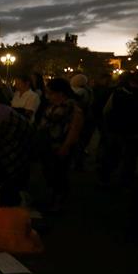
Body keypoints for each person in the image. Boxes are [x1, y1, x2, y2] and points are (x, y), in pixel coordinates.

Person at [37, 78, 84, 210]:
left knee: (59, 173)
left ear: (61, 93)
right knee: (50, 172)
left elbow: (75, 128)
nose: (47, 96)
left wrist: (66, 146)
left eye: (50, 93)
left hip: (60, 145)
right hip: (48, 145)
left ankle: (58, 201)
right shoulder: (54, 106)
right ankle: (51, 198)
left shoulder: (72, 108)